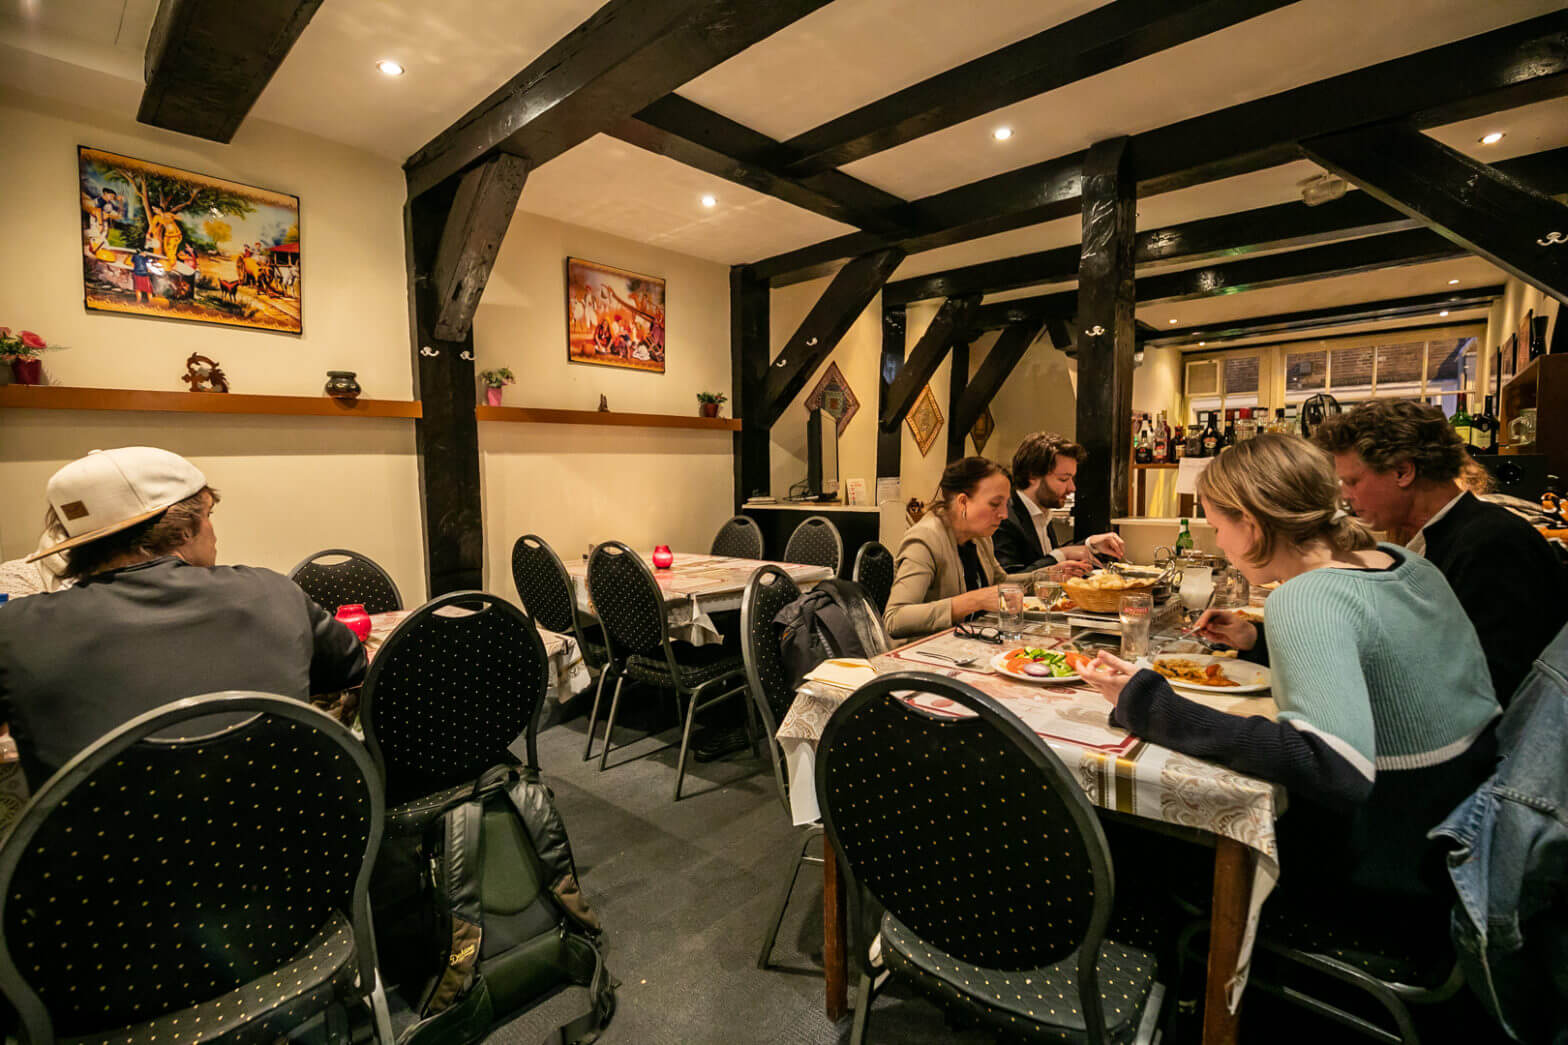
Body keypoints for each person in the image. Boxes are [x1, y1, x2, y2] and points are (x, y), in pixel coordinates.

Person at [1079, 434, 1499, 906]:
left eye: (1217, 527)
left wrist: (1148, 704)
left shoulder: (1305, 597)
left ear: (1251, 524)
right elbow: (1375, 668)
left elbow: (1331, 766)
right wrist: (1255, 643)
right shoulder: (1405, 563)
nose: (1219, 542)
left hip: (1389, 861)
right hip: (1467, 828)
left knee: (1131, 844)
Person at [0, 447, 366, 788]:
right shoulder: (272, 591)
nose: (212, 530)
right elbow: (349, 665)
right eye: (208, 515)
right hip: (289, 827)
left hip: (106, 835)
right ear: (185, 528)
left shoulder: (14, 631)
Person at [1313, 398, 1568, 706]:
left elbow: (1487, 689)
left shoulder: (1493, 543)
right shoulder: (1441, 537)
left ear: (1403, 472)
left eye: (1352, 481)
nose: (1345, 495)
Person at [884, 457, 1041, 640]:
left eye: (1006, 504)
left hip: (970, 643)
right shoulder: (925, 539)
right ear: (963, 502)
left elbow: (1000, 582)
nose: (1004, 514)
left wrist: (1047, 576)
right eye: (995, 504)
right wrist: (974, 600)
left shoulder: (980, 536)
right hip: (929, 650)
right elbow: (895, 619)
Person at [991, 432, 1126, 573]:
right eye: (1063, 479)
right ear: (1032, 475)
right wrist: (1062, 554)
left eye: (1072, 479)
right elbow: (1009, 580)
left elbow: (1044, 559)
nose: (1072, 488)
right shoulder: (1004, 517)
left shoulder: (1041, 509)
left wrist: (1090, 543)